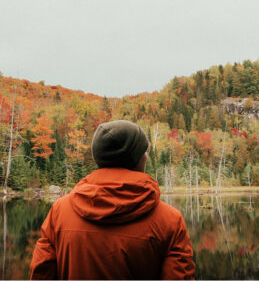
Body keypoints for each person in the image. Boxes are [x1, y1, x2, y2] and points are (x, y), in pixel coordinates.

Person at [30, 120, 195, 279]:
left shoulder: (59, 212)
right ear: (137, 159)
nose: (146, 156)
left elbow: (41, 273)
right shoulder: (170, 220)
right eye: (143, 151)